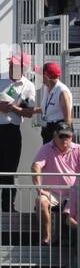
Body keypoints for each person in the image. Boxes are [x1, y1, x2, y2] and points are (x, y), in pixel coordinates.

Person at [0, 53, 37, 209]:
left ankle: (8, 206)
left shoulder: (28, 86)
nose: (10, 67)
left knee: (9, 170)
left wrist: (13, 108)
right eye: (10, 65)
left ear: (22, 68)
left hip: (12, 131)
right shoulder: (0, 79)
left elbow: (29, 112)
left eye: (14, 66)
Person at [35, 61, 73, 143]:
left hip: (58, 130)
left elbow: (68, 119)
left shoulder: (62, 91)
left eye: (40, 74)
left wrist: (65, 138)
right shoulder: (47, 88)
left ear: (46, 75)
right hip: (48, 128)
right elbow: (45, 109)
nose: (38, 76)